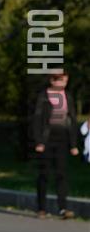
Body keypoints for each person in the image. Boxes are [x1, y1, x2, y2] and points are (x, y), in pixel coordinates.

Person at [32, 71, 79, 219]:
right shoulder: (44, 96)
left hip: (62, 138)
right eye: (61, 81)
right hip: (46, 138)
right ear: (52, 81)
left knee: (61, 173)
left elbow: (72, 120)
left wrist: (73, 144)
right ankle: (41, 208)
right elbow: (37, 119)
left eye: (65, 81)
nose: (63, 84)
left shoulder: (67, 96)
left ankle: (63, 208)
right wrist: (39, 141)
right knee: (44, 174)